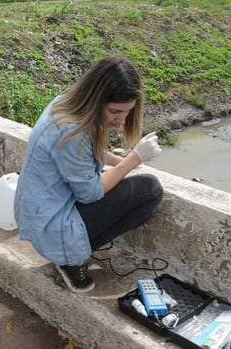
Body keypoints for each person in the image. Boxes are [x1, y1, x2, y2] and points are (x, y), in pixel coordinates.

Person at [14, 57, 164, 293]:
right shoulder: (74, 132)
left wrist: (122, 161)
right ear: (96, 101)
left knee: (135, 183)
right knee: (150, 189)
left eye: (127, 112)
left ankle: (70, 251)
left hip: (38, 213)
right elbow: (90, 193)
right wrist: (135, 159)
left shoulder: (65, 104)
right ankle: (69, 259)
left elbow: (85, 156)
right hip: (53, 225)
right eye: (115, 111)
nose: (121, 121)